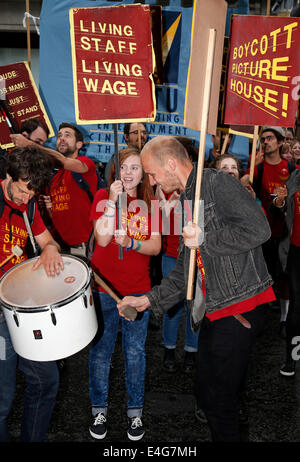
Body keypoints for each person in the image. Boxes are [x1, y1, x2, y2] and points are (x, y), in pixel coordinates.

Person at [117, 136, 275, 442]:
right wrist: (148, 301)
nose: (150, 181)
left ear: (171, 164)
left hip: (241, 306)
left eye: (151, 173)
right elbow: (183, 272)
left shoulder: (215, 183)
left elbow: (260, 229)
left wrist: (205, 239)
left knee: (218, 402)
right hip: (217, 310)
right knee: (208, 396)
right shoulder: (188, 199)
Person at [88, 146, 161, 441]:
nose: (128, 173)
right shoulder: (102, 197)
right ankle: (99, 410)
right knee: (101, 352)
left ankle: (135, 413)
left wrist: (131, 242)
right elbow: (103, 239)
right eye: (124, 167)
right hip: (104, 287)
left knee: (135, 353)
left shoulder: (151, 203)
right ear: (115, 171)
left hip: (137, 289)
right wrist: (112, 203)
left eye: (134, 167)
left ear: (143, 173)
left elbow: (155, 247)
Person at [0, 145, 64, 442]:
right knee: (2, 398)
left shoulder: (30, 205)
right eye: (22, 191)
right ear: (8, 176)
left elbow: (48, 242)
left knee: (46, 380)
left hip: (20, 310)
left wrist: (50, 249)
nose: (25, 199)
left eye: (31, 195)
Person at [11, 123, 98, 257]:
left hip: (84, 249)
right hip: (59, 248)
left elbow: (63, 161)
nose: (61, 139)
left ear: (79, 144)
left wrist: (29, 144)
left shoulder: (86, 164)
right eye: (59, 136)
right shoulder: (53, 178)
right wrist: (48, 209)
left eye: (67, 135)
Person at [243, 126, 295, 331]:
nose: (266, 142)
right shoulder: (258, 168)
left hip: (284, 231)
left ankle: (283, 319)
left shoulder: (290, 169)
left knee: (283, 275)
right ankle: (259, 317)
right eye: (263, 138)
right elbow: (241, 187)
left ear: (281, 142)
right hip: (260, 233)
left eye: (270, 138)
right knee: (260, 276)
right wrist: (251, 167)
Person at [273, 170, 300, 376]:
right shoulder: (296, 176)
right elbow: (281, 205)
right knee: (296, 306)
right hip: (296, 250)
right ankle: (292, 359)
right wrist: (279, 202)